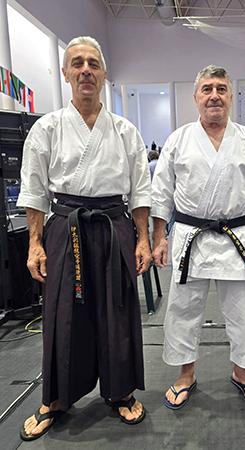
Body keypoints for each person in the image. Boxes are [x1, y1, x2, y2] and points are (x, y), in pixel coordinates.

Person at [17, 36, 151, 440]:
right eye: (77, 63)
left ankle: (120, 390)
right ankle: (56, 398)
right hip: (65, 226)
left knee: (117, 311)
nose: (86, 70)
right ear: (65, 73)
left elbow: (140, 191)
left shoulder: (125, 130)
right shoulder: (47, 127)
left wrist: (143, 239)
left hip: (113, 225)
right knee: (62, 313)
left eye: (93, 63)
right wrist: (35, 243)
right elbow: (34, 191)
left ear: (104, 73)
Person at [151, 65, 245, 408]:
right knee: (183, 309)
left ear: (231, 96)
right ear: (196, 97)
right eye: (207, 89)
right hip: (190, 236)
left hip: (236, 235)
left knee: (240, 310)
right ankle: (185, 375)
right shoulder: (178, 140)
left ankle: (243, 372)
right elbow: (161, 194)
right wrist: (159, 237)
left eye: (221, 89)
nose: (214, 95)